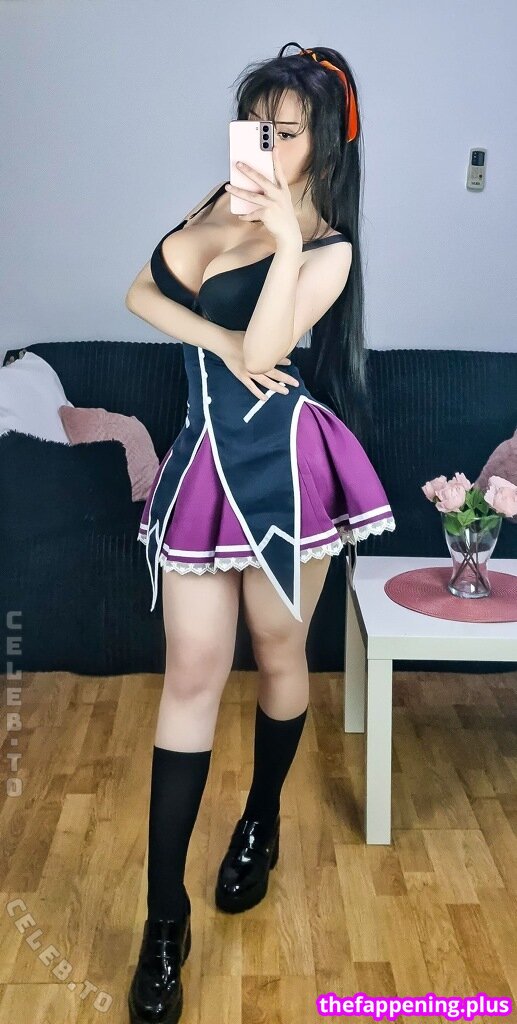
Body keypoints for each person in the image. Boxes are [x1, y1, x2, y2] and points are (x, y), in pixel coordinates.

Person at [125, 41, 396, 1024]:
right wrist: (213, 336)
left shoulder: (328, 248)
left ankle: (261, 819)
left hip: (285, 472)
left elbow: (273, 347)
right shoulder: (214, 202)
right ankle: (164, 922)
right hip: (203, 462)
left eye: (287, 130)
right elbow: (140, 293)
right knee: (191, 673)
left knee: (280, 654)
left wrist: (283, 239)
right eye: (257, 125)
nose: (266, 143)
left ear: (325, 142)